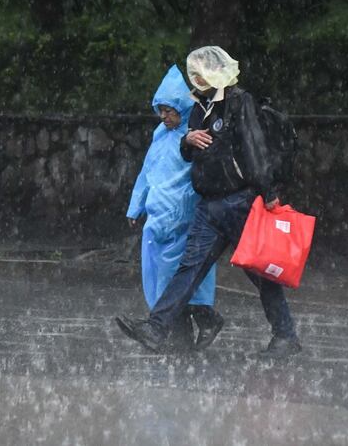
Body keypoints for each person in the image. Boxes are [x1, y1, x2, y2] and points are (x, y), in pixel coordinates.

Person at [116, 46, 302, 359]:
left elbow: (255, 147)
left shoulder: (239, 102)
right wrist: (187, 142)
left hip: (240, 202)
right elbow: (190, 152)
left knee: (260, 274)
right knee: (189, 268)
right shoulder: (198, 107)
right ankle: (157, 327)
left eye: (200, 72)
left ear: (216, 72)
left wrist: (268, 191)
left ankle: (285, 335)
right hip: (209, 206)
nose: (195, 78)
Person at [120, 65, 223, 351]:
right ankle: (177, 337)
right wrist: (135, 206)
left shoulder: (194, 135)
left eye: (169, 110)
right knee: (161, 276)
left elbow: (202, 174)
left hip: (182, 219)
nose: (164, 116)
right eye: (160, 110)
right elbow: (147, 172)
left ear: (181, 106)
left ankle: (174, 332)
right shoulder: (159, 136)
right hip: (157, 219)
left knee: (178, 279)